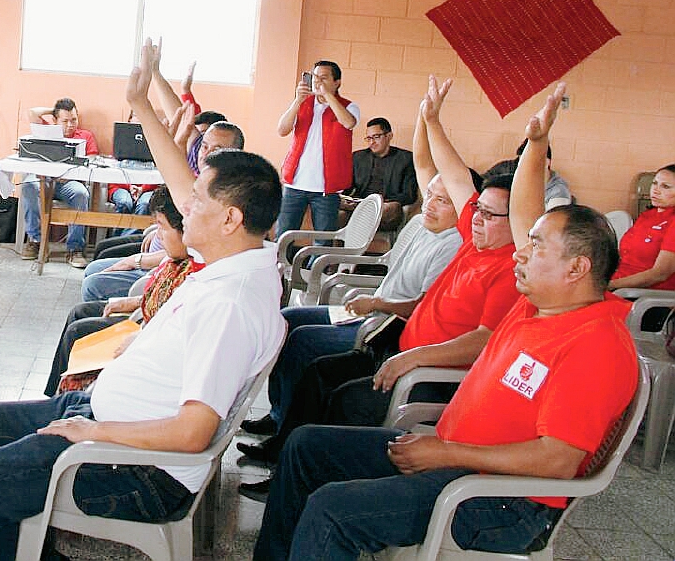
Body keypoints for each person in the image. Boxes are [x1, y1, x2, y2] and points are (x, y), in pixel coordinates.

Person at [253, 83, 639, 561]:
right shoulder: (538, 304)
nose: (523, 251)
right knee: (306, 446)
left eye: (537, 246)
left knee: (333, 509)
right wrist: (535, 147)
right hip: (457, 456)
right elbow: (521, 211)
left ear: (577, 269)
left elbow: (558, 459)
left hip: (500, 499)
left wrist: (447, 453)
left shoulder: (597, 343)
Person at [0, 40, 285, 561]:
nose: (183, 204)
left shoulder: (230, 304)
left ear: (230, 219)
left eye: (197, 201)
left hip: (134, 467)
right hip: (109, 415)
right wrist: (141, 104)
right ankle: (27, 530)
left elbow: (193, 433)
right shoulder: (245, 255)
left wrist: (90, 432)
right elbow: (180, 178)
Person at [236, 77, 520, 485]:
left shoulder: (504, 264)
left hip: (414, 361)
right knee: (316, 370)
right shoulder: (472, 238)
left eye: (490, 214)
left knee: (333, 393)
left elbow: (483, 337)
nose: (476, 216)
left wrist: (409, 351)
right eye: (477, 209)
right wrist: (430, 119)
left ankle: (303, 475)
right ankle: (288, 456)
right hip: (392, 344)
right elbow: (430, 168)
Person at [237, 173, 463, 457]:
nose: (428, 204)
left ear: (464, 206)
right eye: (429, 195)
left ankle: (287, 440)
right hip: (370, 310)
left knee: (302, 342)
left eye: (441, 200)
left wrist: (378, 303)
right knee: (288, 320)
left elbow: (423, 307)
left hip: (383, 325)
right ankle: (279, 416)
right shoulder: (427, 228)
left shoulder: (452, 245)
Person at [43, 186, 201, 396]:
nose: (159, 237)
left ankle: (66, 396)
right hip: (143, 314)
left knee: (77, 330)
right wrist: (133, 301)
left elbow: (168, 318)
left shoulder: (193, 271)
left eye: (162, 228)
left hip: (147, 333)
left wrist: (138, 333)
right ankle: (53, 394)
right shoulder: (173, 259)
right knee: (78, 312)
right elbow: (158, 296)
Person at [78, 120, 245, 302]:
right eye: (204, 146)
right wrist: (158, 230)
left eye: (217, 149)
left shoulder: (217, 201)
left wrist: (137, 260)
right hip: (157, 251)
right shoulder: (200, 179)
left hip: (161, 265)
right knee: (99, 258)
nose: (206, 154)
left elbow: (183, 252)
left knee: (92, 285)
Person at [276, 61, 359, 236]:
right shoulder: (303, 103)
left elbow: (349, 123)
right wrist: (297, 100)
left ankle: (318, 265)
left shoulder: (348, 106)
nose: (317, 82)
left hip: (326, 189)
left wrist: (328, 96)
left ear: (337, 82)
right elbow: (282, 130)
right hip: (295, 184)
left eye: (323, 78)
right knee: (283, 235)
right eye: (315, 77)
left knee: (323, 239)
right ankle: (282, 264)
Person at [20, 98, 100, 268]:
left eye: (74, 119)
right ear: (55, 120)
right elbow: (32, 113)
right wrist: (54, 110)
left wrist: (71, 173)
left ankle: (75, 248)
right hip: (43, 179)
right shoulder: (48, 131)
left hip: (68, 183)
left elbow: (92, 158)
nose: (71, 125)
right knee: (28, 186)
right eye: (65, 120)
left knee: (81, 194)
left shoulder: (85, 136)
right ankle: (36, 241)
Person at [608, 163, 675, 292]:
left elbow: (660, 274)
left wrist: (609, 285)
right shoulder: (647, 216)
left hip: (644, 295)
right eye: (654, 183)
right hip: (619, 285)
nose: (655, 190)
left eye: (665, 186)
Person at [344, 117, 418, 231]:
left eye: (376, 137)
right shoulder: (358, 157)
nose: (372, 142)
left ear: (389, 136)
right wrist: (343, 198)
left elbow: (409, 195)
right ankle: (339, 247)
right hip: (361, 203)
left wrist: (383, 201)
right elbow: (348, 187)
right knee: (332, 206)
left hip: (386, 205)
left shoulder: (405, 159)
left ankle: (358, 228)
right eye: (368, 138)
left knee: (391, 208)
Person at [485, 139, 573, 209]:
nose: (523, 168)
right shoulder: (515, 174)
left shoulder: (558, 193)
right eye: (520, 163)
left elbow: (551, 228)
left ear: (546, 162)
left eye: (529, 163)